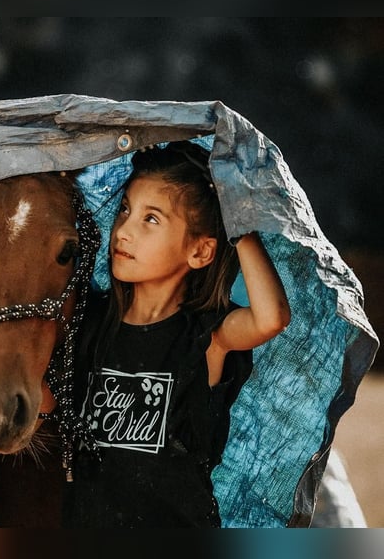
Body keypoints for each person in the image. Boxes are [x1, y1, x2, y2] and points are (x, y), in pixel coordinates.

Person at [64, 140, 291, 528]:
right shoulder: (89, 321)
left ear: (201, 253)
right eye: (125, 210)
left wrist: (239, 225)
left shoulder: (207, 336)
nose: (124, 231)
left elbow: (271, 319)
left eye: (150, 220)